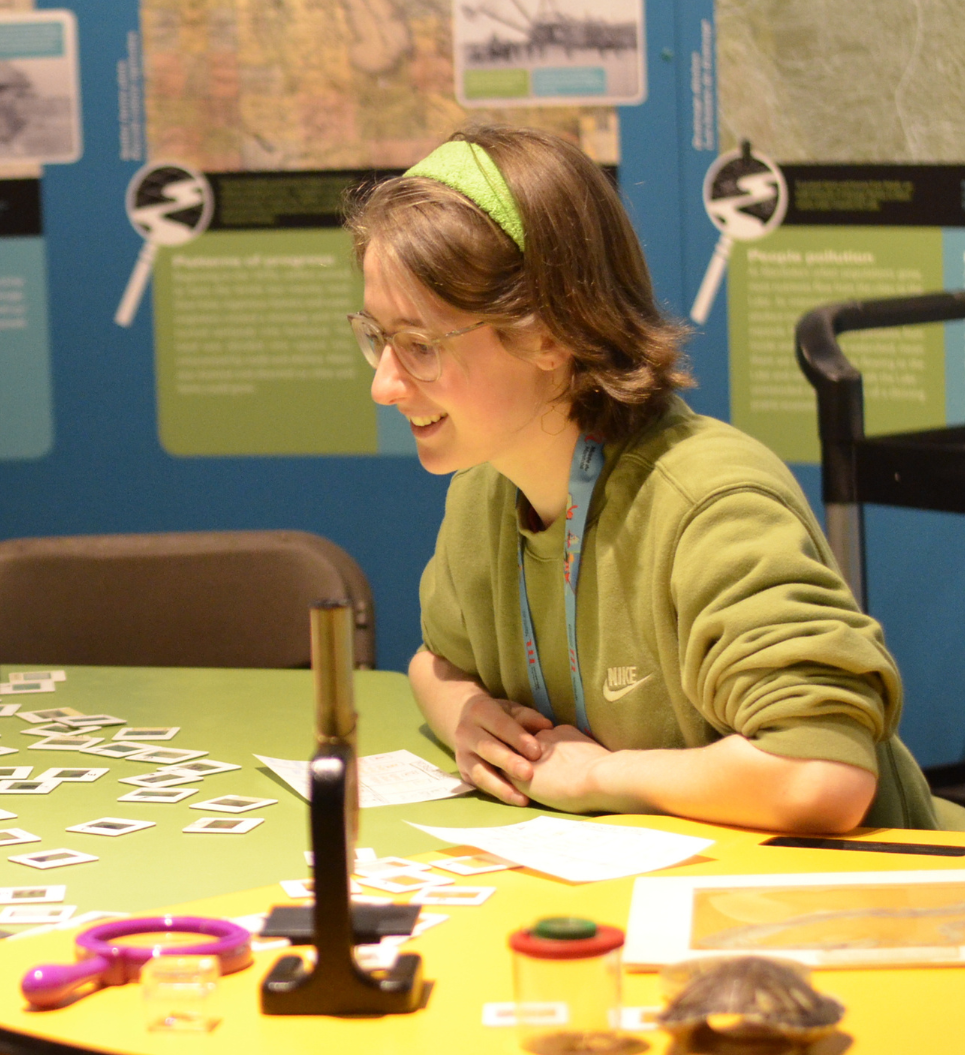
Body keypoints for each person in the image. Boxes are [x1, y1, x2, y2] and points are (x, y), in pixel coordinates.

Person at [346, 125, 944, 833]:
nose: (384, 386)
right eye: (378, 339)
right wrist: (472, 719)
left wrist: (598, 774)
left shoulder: (709, 501)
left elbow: (822, 777)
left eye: (418, 346)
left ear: (550, 333)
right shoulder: (486, 487)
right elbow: (436, 662)